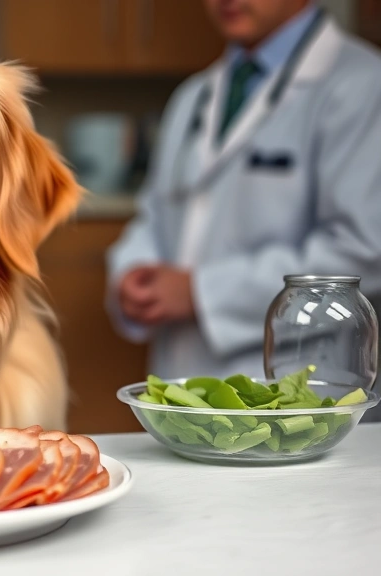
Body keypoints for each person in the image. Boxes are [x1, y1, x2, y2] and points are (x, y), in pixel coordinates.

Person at [106, 0, 381, 417]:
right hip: (184, 378)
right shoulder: (196, 94)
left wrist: (201, 292)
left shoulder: (362, 84)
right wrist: (132, 273)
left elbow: (362, 248)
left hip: (299, 384)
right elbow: (156, 214)